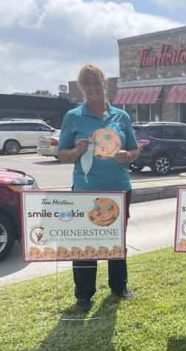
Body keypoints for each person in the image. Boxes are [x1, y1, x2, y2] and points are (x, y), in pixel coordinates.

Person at [58, 64, 139, 312]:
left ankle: (119, 287)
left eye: (97, 84)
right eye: (88, 85)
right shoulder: (73, 117)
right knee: (85, 244)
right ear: (82, 88)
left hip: (119, 189)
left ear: (104, 85)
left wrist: (128, 155)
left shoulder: (121, 117)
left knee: (116, 241)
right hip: (86, 191)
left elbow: (135, 150)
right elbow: (62, 154)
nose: (93, 89)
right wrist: (77, 150)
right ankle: (83, 295)